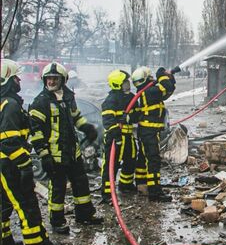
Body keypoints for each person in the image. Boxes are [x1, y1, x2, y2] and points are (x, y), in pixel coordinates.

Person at [29, 62, 103, 234]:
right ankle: (57, 221)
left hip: (73, 152)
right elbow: (36, 132)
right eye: (48, 79)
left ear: (63, 80)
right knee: (58, 188)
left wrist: (86, 127)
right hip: (55, 155)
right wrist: (44, 155)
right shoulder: (40, 102)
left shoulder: (68, 97)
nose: (51, 82)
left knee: (81, 183)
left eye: (55, 78)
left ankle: (85, 215)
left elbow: (76, 117)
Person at [0, 59, 63, 245]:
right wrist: (25, 166)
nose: (20, 80)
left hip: (4, 164)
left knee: (4, 204)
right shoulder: (9, 105)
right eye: (16, 77)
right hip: (10, 163)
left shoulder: (6, 102)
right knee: (26, 205)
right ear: (8, 80)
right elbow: (9, 142)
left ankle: (5, 243)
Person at [131, 66, 175, 202]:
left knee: (143, 158)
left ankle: (141, 184)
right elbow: (166, 87)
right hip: (149, 132)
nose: (153, 79)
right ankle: (155, 192)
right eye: (151, 77)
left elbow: (169, 90)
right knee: (153, 160)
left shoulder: (146, 91)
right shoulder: (150, 92)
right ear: (146, 78)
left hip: (147, 131)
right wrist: (162, 74)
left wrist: (170, 77)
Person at [100, 70, 138, 203]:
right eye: (125, 81)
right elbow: (108, 121)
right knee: (111, 165)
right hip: (114, 137)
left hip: (128, 135)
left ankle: (125, 185)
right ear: (118, 84)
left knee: (131, 159)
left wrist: (128, 117)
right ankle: (107, 194)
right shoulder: (110, 100)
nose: (128, 83)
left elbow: (136, 115)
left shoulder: (131, 97)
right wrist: (116, 136)